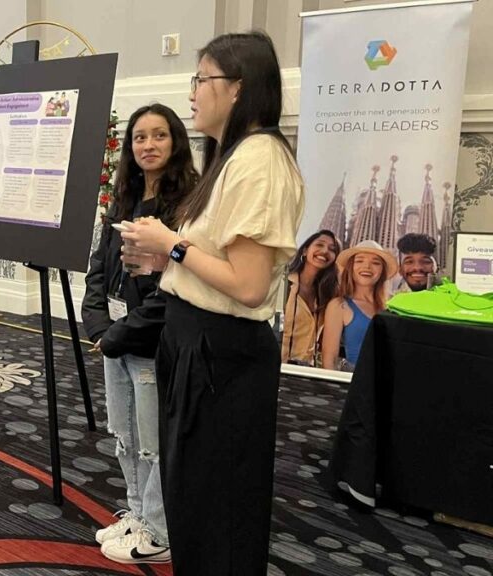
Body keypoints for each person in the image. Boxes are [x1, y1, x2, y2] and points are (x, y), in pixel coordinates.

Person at [121, 31, 305, 574]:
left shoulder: (259, 161)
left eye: (203, 79)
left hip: (219, 354)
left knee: (216, 504)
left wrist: (170, 244)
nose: (194, 92)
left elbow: (247, 285)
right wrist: (165, 260)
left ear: (239, 88)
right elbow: (217, 261)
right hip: (194, 341)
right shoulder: (233, 157)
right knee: (193, 500)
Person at [82, 103, 197, 565]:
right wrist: (98, 325)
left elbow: (172, 290)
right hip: (114, 339)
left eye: (159, 136)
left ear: (175, 143)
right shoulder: (124, 198)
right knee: (125, 435)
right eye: (139, 137)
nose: (148, 145)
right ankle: (137, 512)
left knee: (153, 441)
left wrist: (120, 334)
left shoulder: (187, 205)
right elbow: (99, 268)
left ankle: (161, 529)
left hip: (150, 345)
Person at [321, 240, 396, 371]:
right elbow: (329, 359)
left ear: (382, 270)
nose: (367, 267)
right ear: (351, 267)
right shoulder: (339, 305)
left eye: (375, 263)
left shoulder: (393, 306)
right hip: (354, 381)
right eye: (359, 261)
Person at [282, 230, 341, 365]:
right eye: (319, 245)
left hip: (306, 372)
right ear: (304, 251)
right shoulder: (283, 284)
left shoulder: (327, 295)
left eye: (332, 250)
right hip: (276, 367)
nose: (325, 251)